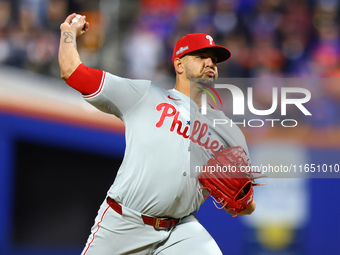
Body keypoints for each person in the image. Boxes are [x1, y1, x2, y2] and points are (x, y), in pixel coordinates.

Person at [58, 13, 256, 255]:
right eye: (201, 56)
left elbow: (246, 204)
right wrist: (68, 33)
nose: (210, 63)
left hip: (180, 230)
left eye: (214, 60)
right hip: (124, 223)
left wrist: (243, 201)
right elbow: (72, 72)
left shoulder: (227, 130)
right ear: (179, 64)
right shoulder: (144, 95)